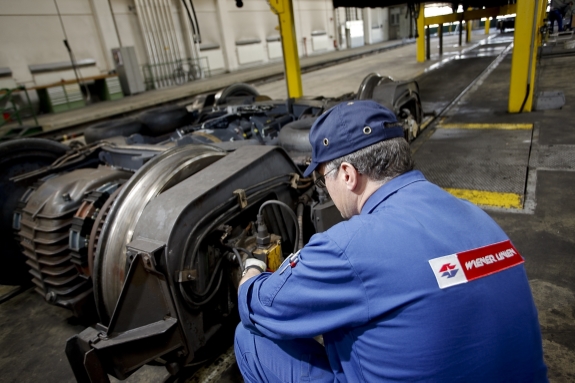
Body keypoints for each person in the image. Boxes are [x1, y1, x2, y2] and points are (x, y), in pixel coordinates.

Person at [234, 100, 548, 382]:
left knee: (250, 339)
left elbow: (262, 306)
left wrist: (251, 269)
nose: (324, 188)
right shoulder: (479, 218)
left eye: (321, 178)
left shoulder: (347, 248)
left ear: (347, 174)